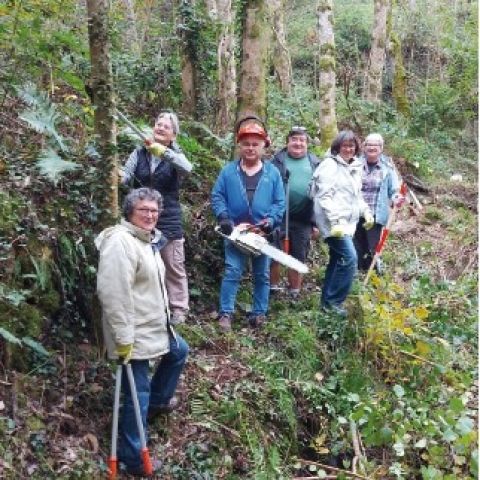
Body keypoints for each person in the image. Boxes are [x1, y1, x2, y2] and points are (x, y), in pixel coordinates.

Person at [96, 188, 189, 477]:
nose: (150, 215)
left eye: (154, 210)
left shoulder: (145, 240)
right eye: (143, 210)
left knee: (179, 351)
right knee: (138, 390)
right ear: (129, 212)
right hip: (132, 332)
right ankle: (132, 456)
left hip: (154, 325)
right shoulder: (120, 242)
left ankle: (157, 404)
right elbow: (113, 293)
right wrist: (123, 339)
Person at [211, 119, 285, 331]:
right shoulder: (228, 171)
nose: (251, 148)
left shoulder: (273, 173)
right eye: (246, 144)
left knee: (262, 274)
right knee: (232, 271)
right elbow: (217, 196)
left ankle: (259, 313)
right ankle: (226, 313)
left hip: (262, 233)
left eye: (255, 144)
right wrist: (223, 217)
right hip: (236, 232)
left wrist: (270, 221)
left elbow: (279, 202)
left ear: (263, 145)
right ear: (239, 146)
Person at [122, 111, 192, 325]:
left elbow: (187, 169)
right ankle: (150, 309)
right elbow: (126, 176)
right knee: (144, 264)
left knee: (173, 264)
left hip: (168, 217)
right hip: (140, 217)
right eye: (158, 124)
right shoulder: (139, 153)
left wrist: (163, 152)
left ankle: (179, 309)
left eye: (166, 126)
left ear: (173, 135)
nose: (160, 128)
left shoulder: (176, 154)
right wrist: (119, 177)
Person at [309, 130, 374, 316]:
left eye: (352, 146)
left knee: (338, 259)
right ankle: (335, 303)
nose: (348, 149)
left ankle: (326, 304)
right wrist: (335, 222)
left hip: (347, 223)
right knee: (350, 259)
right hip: (332, 222)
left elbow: (356, 196)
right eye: (345, 146)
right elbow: (324, 197)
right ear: (337, 147)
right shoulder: (329, 165)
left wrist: (366, 212)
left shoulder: (353, 167)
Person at [270, 126, 320, 297]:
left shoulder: (315, 163)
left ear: (307, 144)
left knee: (298, 255)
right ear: (288, 142)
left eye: (302, 140)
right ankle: (273, 288)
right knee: (274, 252)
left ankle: (294, 292)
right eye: (294, 139)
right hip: (278, 216)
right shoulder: (276, 161)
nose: (298, 143)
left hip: (304, 217)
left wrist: (316, 222)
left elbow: (321, 195)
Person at [354, 133, 403, 272]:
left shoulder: (387, 168)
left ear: (381, 148)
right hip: (355, 214)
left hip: (376, 215)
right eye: (369, 144)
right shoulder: (354, 164)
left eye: (375, 145)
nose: (372, 147)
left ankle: (372, 277)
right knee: (355, 246)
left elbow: (394, 191)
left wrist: (396, 198)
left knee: (372, 248)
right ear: (364, 147)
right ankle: (355, 275)